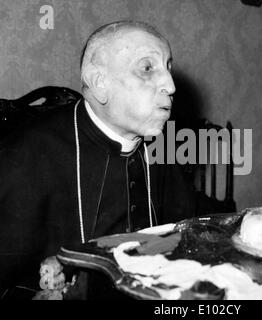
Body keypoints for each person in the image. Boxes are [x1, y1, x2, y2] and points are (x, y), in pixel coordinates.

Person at [0, 20, 197, 299]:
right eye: (147, 68)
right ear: (100, 83)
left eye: (168, 67)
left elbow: (184, 240)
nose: (171, 85)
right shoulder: (29, 152)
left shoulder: (165, 146)